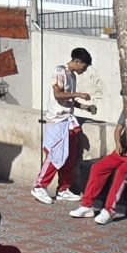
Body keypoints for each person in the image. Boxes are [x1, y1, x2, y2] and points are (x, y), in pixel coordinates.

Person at [33, 46, 95, 203]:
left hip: (68, 120)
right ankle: (39, 186)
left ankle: (63, 189)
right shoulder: (59, 71)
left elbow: (69, 100)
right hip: (57, 120)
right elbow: (58, 94)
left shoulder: (72, 76)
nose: (84, 70)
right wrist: (79, 94)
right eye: (84, 66)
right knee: (55, 154)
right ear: (77, 61)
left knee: (70, 156)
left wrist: (85, 107)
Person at [71, 115, 127, 223]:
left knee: (121, 172)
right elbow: (118, 130)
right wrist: (118, 143)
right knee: (97, 168)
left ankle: (109, 211)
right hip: (122, 151)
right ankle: (87, 206)